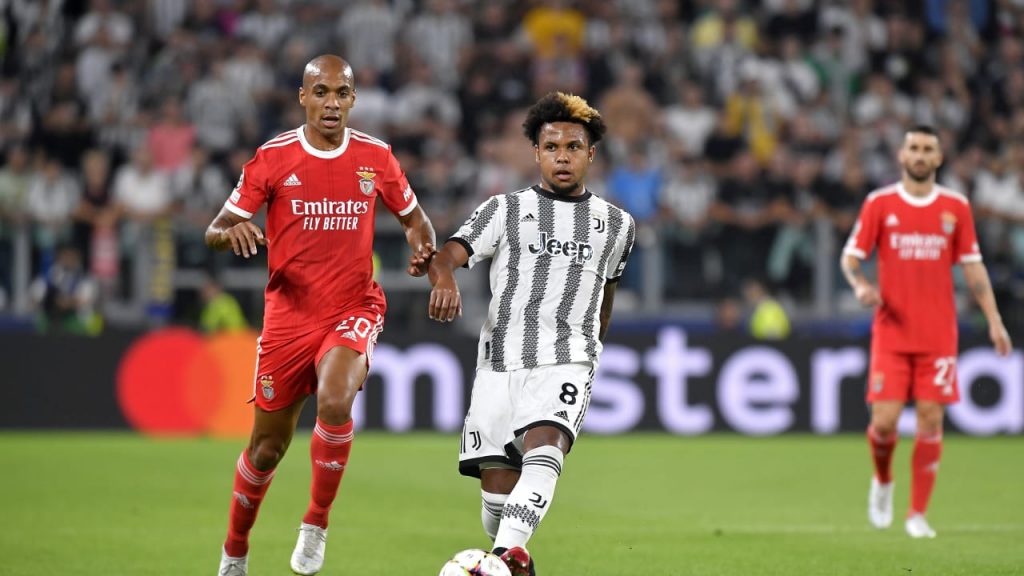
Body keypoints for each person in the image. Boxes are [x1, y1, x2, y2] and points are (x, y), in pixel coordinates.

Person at [205, 54, 436, 576]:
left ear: (353, 100)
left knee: (335, 399)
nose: (332, 103)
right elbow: (215, 229)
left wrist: (423, 248)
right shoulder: (272, 158)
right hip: (288, 318)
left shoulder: (376, 156)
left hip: (353, 306)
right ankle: (235, 550)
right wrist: (230, 231)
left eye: (342, 93)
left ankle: (316, 522)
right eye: (321, 92)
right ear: (303, 98)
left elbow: (416, 219)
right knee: (266, 449)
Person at [418, 92, 634, 575]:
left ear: (590, 154)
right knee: (497, 502)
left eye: (573, 147)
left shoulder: (617, 225)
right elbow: (447, 255)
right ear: (536, 153)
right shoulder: (504, 209)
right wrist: (445, 278)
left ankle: (494, 564)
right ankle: (511, 561)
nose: (563, 157)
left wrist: (591, 348)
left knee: (545, 447)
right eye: (552, 147)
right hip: (499, 364)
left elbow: (606, 293)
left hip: (567, 358)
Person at [840, 125, 1012, 539]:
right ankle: (883, 481)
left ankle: (917, 513)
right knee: (884, 423)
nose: (919, 155)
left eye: (927, 149)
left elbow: (973, 266)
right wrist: (861, 285)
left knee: (931, 419)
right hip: (892, 332)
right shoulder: (880, 203)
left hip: (937, 335)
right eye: (913, 148)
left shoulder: (956, 206)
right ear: (902, 156)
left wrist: (994, 319)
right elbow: (850, 257)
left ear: (938, 158)